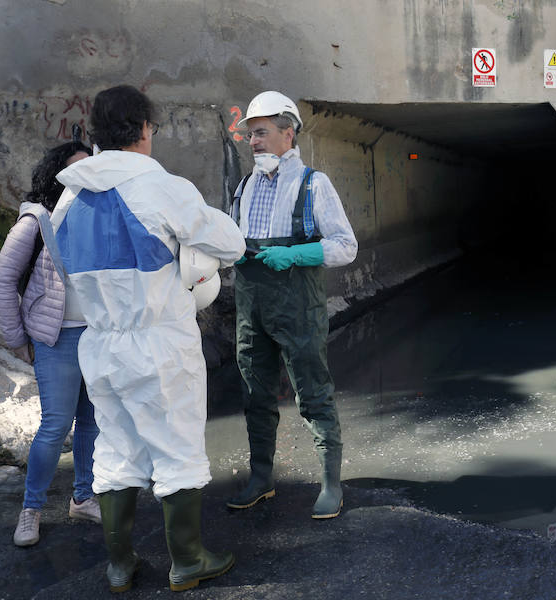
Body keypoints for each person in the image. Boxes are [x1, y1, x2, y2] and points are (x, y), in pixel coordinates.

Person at [51, 85, 245, 593]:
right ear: (143, 129)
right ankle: (189, 561)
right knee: (176, 446)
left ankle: (120, 564)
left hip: (101, 343)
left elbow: (65, 268)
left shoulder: (68, 197)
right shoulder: (161, 188)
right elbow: (229, 242)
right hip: (158, 341)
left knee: (116, 450)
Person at [226, 91, 358, 519]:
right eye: (250, 134)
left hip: (298, 305)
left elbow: (345, 246)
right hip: (252, 309)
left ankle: (331, 484)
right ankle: (261, 479)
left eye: (261, 132)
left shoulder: (313, 184)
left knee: (313, 394)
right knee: (255, 393)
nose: (254, 141)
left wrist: (296, 254)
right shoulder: (244, 186)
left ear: (289, 133)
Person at [0, 140, 98, 548]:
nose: (82, 179)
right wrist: (16, 338)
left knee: (92, 421)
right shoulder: (36, 221)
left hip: (98, 336)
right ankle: (31, 509)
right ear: (56, 176)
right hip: (57, 339)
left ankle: (83, 497)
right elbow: (3, 279)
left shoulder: (95, 217)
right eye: (74, 171)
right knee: (56, 425)